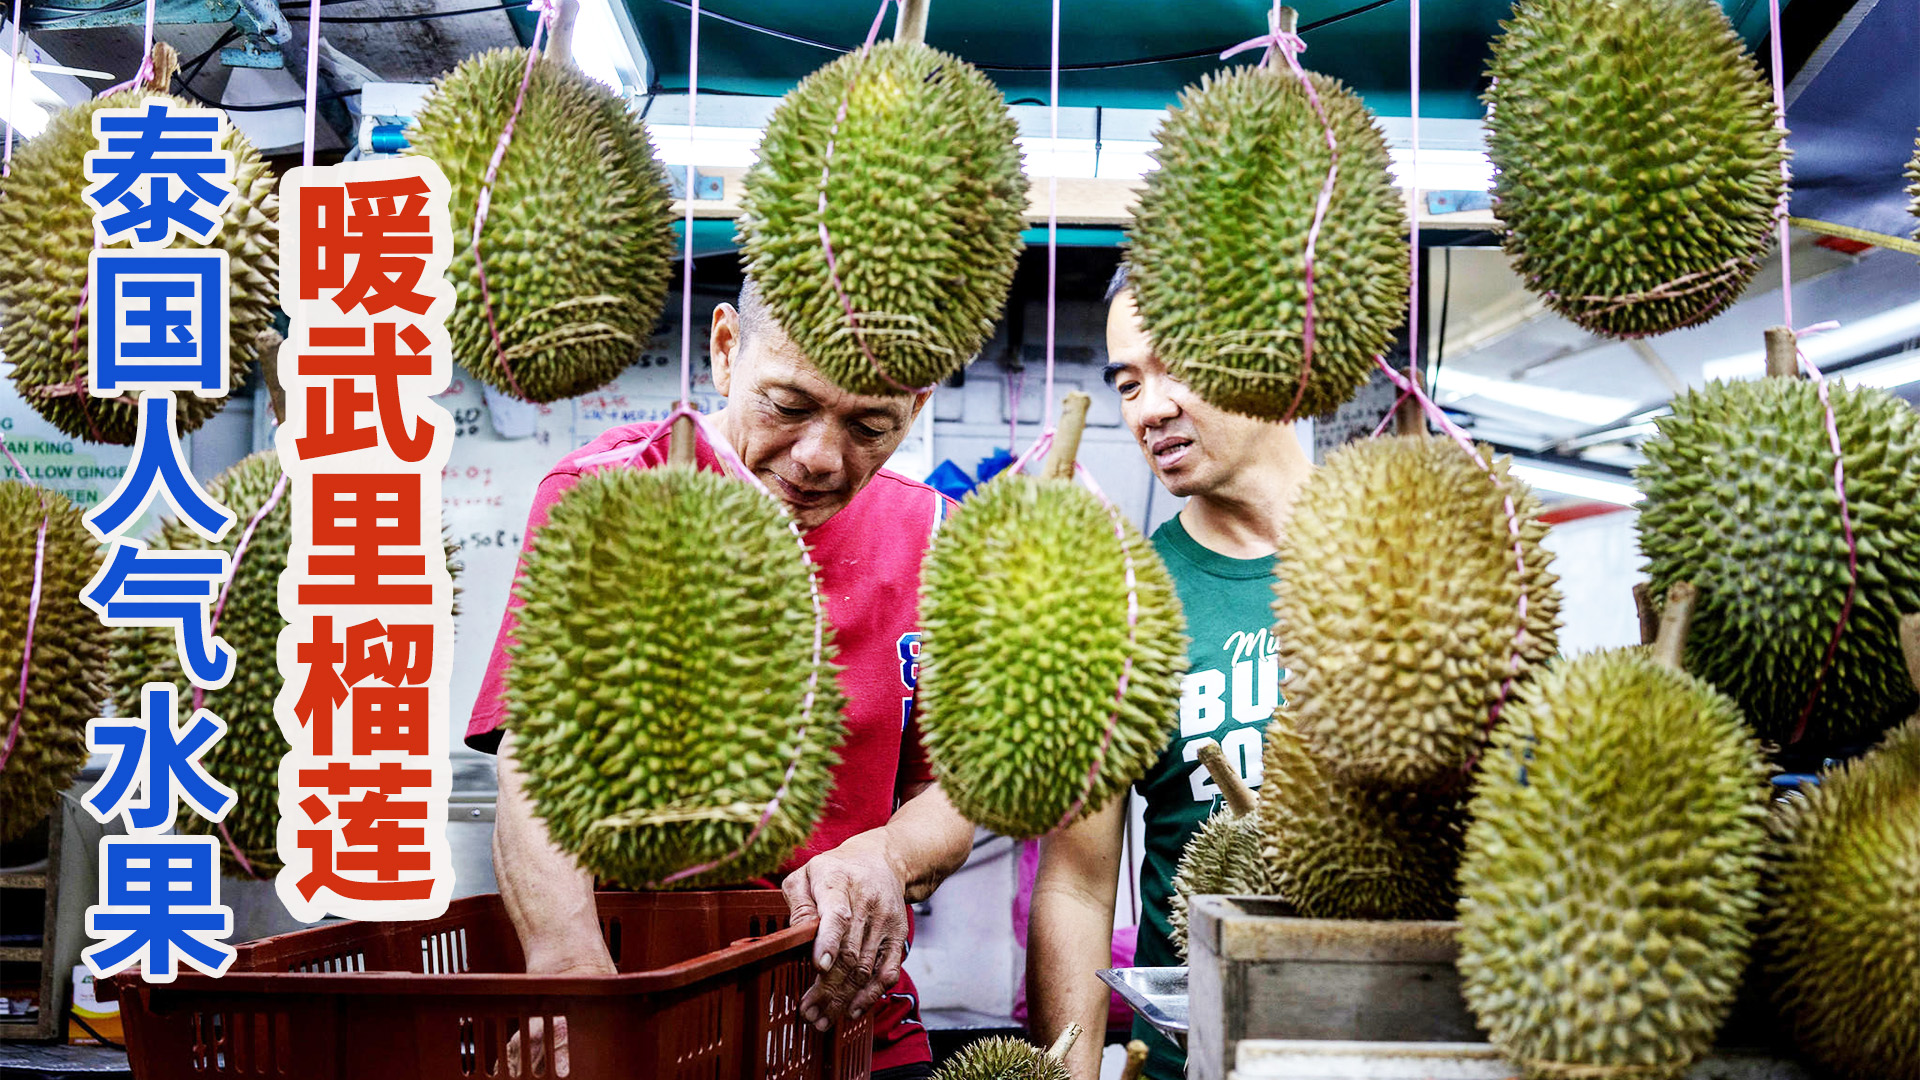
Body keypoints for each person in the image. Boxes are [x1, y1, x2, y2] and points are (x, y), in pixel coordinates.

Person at [468, 277, 976, 1080]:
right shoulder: (605, 495)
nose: (818, 458)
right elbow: (534, 759)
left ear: (914, 408)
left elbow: (952, 792)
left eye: (869, 426)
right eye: (789, 405)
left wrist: (888, 854)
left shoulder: (933, 537)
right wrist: (570, 969)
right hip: (640, 1004)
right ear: (726, 349)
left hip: (847, 1019)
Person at [1025, 264, 1315, 1080]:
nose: (1149, 409)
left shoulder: (1401, 553)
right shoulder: (1125, 603)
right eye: (1127, 382)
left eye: (1176, 363)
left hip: (1374, 1033)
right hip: (1191, 1060)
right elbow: (1078, 888)